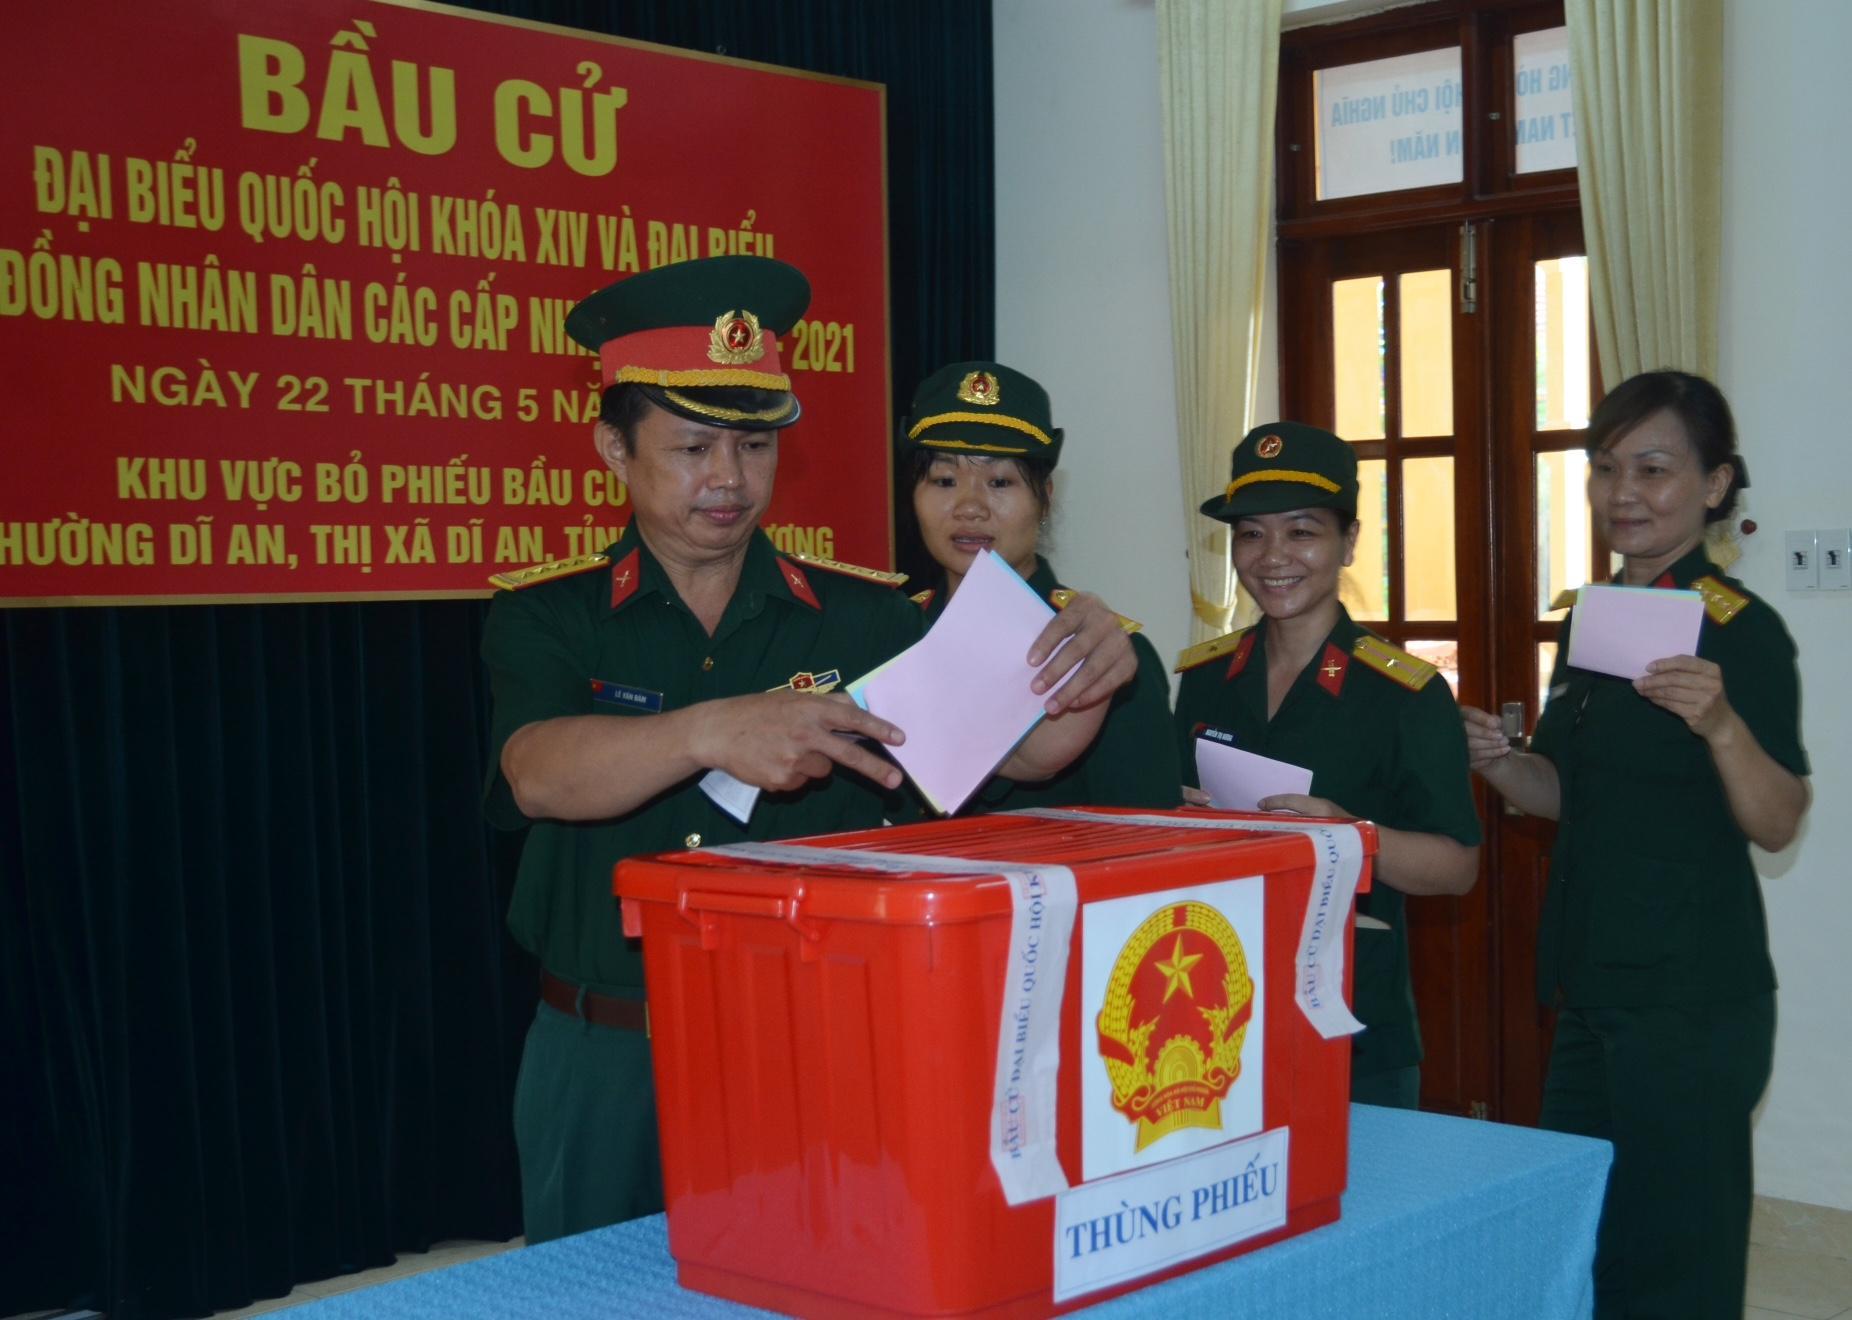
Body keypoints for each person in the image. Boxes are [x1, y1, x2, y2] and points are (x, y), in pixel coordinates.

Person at [479, 255, 1137, 1243]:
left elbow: (1014, 759)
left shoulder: (864, 617)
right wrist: (714, 729)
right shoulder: (548, 614)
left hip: (810, 1040)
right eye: (693, 447)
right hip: (609, 1055)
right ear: (613, 448)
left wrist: (1084, 672)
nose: (730, 481)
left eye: (752, 446)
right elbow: (534, 774)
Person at [1461, 370, 1809, 1319]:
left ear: (1714, 485)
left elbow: (1779, 820)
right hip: (1591, 989)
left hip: (1692, 1000)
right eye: (1606, 468)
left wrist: (1723, 725)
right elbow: (1566, 793)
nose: (1623, 493)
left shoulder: (1745, 632)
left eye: (1654, 469)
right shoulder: (1596, 617)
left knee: (1677, 1268)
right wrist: (1499, 763)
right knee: (1589, 1246)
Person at [1173, 422, 1480, 1109]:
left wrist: (1352, 835)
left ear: (1348, 542)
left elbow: (1458, 867)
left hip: (1354, 1022)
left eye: (1301, 530)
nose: (1272, 556)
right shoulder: (1205, 677)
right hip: (1218, 1014)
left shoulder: (1404, 693)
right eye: (1251, 533)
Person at [897, 360, 1180, 810]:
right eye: (945, 480)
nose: (970, 507)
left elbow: (1147, 845)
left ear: (1045, 498)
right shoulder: (892, 634)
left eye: (1000, 482)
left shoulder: (1101, 656)